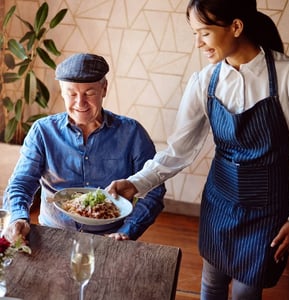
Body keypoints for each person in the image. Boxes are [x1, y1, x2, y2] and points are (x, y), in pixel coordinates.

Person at [107, 0, 289, 299]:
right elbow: (179, 150)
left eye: (204, 33)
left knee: (246, 292)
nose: (198, 43)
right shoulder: (205, 81)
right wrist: (135, 183)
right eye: (194, 33)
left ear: (236, 27)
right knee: (211, 282)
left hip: (268, 208)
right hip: (219, 199)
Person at [3, 53, 166, 242]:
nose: (80, 103)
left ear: (104, 89)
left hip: (110, 237)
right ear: (62, 92)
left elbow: (154, 190)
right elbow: (21, 183)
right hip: (53, 233)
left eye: (89, 93)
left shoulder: (132, 133)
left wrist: (127, 230)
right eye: (72, 94)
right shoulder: (43, 131)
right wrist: (18, 217)